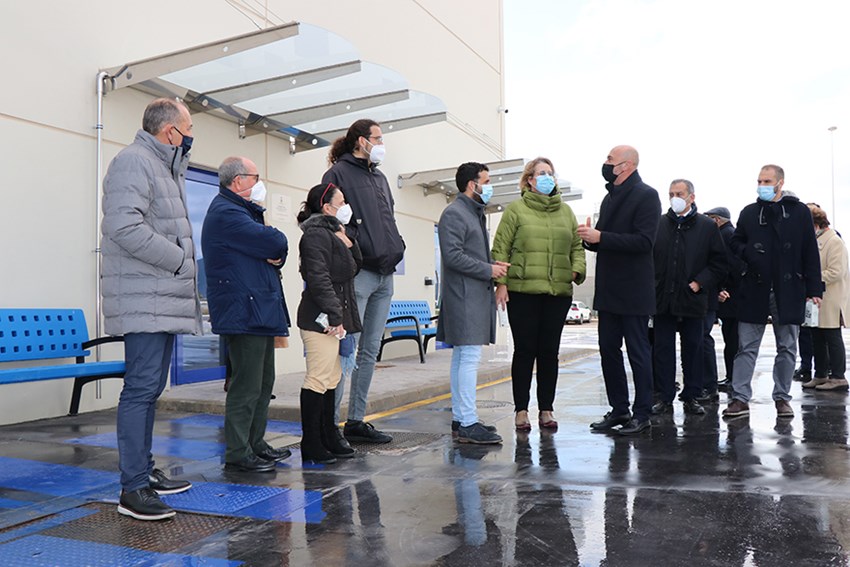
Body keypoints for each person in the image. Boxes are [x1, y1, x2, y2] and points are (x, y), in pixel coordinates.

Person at [102, 98, 200, 520]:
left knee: (149, 389)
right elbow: (123, 226)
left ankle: (143, 471)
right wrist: (179, 260)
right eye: (189, 128)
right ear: (170, 131)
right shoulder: (135, 161)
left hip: (157, 298)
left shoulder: (163, 166)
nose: (191, 136)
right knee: (140, 390)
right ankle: (133, 489)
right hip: (145, 297)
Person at [202, 156, 292, 473]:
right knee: (246, 385)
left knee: (264, 382)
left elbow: (273, 251)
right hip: (245, 311)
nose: (260, 183)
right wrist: (276, 247)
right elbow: (275, 241)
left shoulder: (243, 212)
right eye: (256, 177)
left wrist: (277, 254)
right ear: (238, 180)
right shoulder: (227, 213)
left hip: (257, 309)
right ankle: (239, 452)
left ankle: (256, 443)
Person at [322, 118, 404, 444]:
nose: (382, 144)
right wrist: (355, 244)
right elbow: (330, 219)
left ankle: (355, 420)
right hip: (358, 274)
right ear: (361, 140)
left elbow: (388, 219)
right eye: (377, 138)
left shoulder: (380, 177)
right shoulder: (338, 174)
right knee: (346, 350)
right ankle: (330, 426)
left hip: (385, 274)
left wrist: (397, 244)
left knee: (370, 350)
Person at [491, 157, 586, 431]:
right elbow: (501, 248)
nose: (547, 177)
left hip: (557, 293)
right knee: (524, 351)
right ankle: (521, 410)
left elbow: (576, 247)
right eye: (541, 173)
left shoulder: (566, 212)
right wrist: (501, 283)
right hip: (523, 292)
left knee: (549, 352)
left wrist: (575, 271)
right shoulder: (516, 210)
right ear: (529, 180)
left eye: (550, 173)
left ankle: (546, 409)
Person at [722, 164, 822, 419]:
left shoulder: (799, 212)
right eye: (759, 181)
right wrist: (749, 254)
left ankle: (782, 397)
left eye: (767, 181)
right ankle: (740, 398)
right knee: (746, 347)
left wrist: (814, 289)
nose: (762, 185)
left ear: (780, 183)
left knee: (787, 346)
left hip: (788, 290)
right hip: (755, 288)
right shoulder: (750, 212)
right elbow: (735, 241)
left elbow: (810, 251)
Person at [578, 145, 661, 435]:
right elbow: (604, 240)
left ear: (627, 165)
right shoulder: (609, 196)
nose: (605, 163)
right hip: (609, 290)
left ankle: (642, 412)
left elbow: (644, 242)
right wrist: (589, 239)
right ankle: (619, 409)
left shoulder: (647, 195)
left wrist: (601, 237)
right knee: (608, 351)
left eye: (610, 159)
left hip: (634, 291)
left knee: (638, 352)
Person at [437, 162, 508, 444]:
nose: (489, 187)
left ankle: (462, 418)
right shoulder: (455, 213)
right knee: (468, 359)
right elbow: (453, 256)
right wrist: (488, 270)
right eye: (486, 181)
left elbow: (468, 254)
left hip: (470, 296)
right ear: (472, 184)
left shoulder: (472, 213)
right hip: (464, 297)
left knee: (463, 358)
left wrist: (492, 266)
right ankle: (467, 422)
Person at [296, 182, 363, 463]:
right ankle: (311, 443)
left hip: (334, 318)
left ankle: (327, 436)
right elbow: (319, 279)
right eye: (342, 202)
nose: (346, 207)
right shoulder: (315, 236)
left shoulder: (333, 234)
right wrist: (335, 316)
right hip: (320, 319)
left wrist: (349, 242)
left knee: (332, 378)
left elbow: (352, 269)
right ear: (326, 207)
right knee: (318, 378)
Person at [650, 180, 727, 417]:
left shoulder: (707, 226)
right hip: (663, 299)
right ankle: (664, 396)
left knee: (693, 349)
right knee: (662, 350)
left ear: (691, 197)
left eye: (679, 193)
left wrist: (699, 282)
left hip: (693, 298)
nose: (675, 198)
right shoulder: (659, 224)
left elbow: (719, 262)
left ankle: (692, 395)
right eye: (671, 194)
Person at [802, 204, 849, 391]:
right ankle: (820, 374)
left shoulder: (834, 241)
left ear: (816, 224)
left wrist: (812, 278)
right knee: (817, 337)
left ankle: (838, 377)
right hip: (817, 298)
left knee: (832, 337)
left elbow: (836, 272)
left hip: (831, 297)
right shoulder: (817, 240)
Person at [705, 206, 743, 391]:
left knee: (732, 339)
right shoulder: (730, 234)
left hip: (730, 296)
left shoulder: (724, 235)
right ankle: (732, 376)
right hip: (734, 295)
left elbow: (728, 266)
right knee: (731, 339)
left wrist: (722, 288)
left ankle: (732, 377)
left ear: (717, 220)